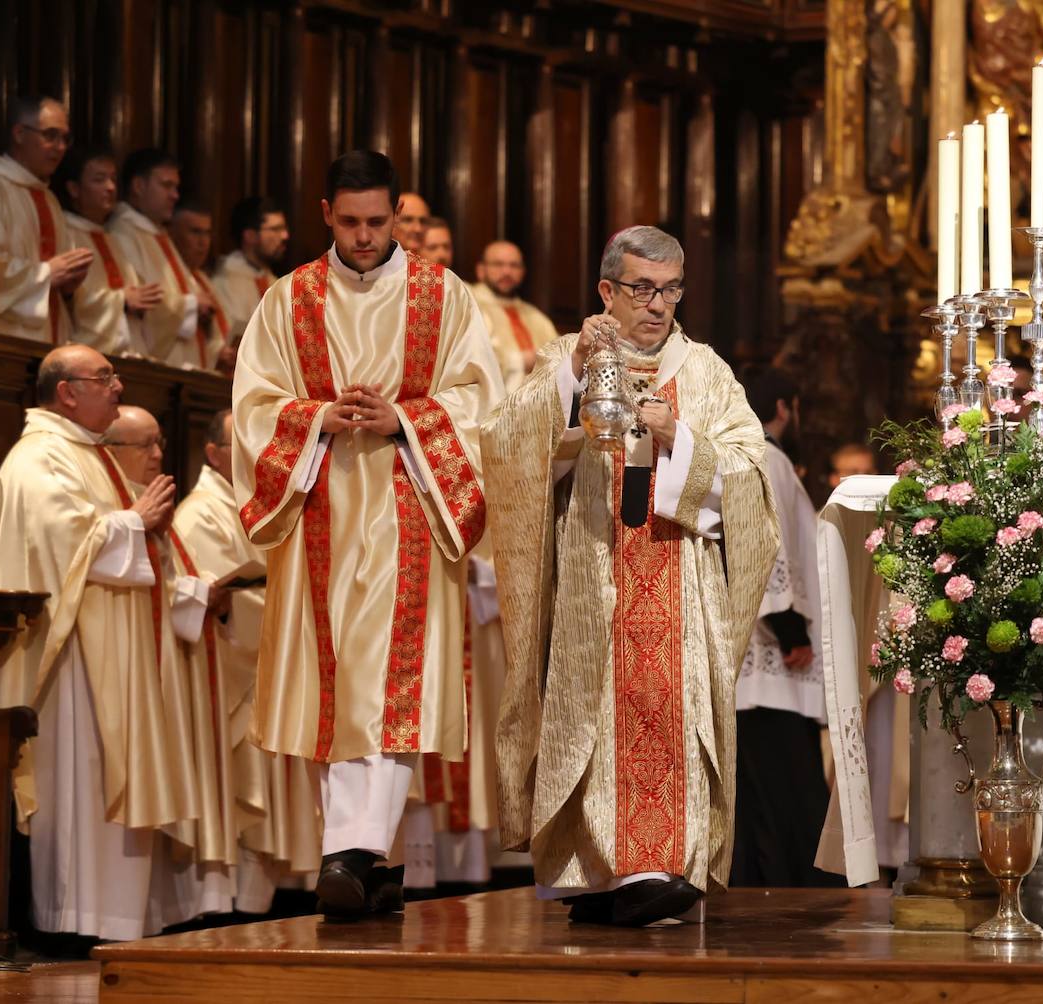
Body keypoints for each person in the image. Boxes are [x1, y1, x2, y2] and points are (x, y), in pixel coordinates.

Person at [232, 150, 502, 917]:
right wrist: (317, 416)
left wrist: (404, 420)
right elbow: (252, 406)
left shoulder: (441, 294)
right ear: (325, 212)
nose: (362, 235)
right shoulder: (288, 299)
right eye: (348, 221)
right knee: (338, 685)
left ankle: (349, 854)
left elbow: (480, 397)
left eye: (377, 222)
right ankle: (360, 856)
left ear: (396, 213)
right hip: (320, 506)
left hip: (409, 509)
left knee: (387, 687)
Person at [483, 225, 778, 926]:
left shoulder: (706, 372)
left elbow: (752, 477)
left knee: (667, 715)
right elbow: (507, 449)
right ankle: (604, 876)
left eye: (671, 289)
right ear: (606, 290)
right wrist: (575, 378)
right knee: (595, 721)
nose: (657, 305)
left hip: (680, 579)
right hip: (593, 575)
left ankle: (660, 867)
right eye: (642, 288)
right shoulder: (570, 355)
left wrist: (682, 441)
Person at [0, 345, 200, 941]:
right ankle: (74, 920)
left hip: (111, 647)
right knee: (82, 780)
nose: (118, 385)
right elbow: (65, 539)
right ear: (66, 392)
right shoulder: (38, 458)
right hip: (73, 658)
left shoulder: (82, 452)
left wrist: (134, 522)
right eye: (104, 377)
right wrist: (133, 521)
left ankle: (116, 919)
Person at [173, 409, 322, 913]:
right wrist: (283, 608)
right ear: (213, 453)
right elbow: (219, 600)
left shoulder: (260, 500)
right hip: (233, 673)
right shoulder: (201, 512)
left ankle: (265, 905)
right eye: (241, 444)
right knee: (245, 786)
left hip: (271, 667)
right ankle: (236, 908)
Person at [103, 404, 234, 925]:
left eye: (159, 443)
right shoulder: (134, 509)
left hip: (174, 658)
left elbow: (169, 579)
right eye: (145, 445)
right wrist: (203, 594)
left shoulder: (150, 508)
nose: (158, 455)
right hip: (139, 667)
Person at [731, 367, 832, 888]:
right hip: (773, 661)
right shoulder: (766, 459)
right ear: (784, 406)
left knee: (756, 797)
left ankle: (756, 890)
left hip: (753, 660)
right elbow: (768, 550)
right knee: (786, 793)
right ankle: (794, 894)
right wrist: (791, 631)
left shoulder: (743, 457)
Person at [0, 95, 93, 342]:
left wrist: (69, 289)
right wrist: (46, 274)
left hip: (53, 337)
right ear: (19, 134)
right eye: (51, 135)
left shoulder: (49, 199)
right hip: (8, 341)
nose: (61, 146)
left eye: (65, 138)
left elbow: (61, 274)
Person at [107, 148, 219, 369]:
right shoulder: (123, 232)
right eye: (166, 186)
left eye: (176, 187)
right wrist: (190, 305)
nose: (175, 195)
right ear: (139, 186)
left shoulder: (158, 234)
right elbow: (141, 300)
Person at [55, 147, 161, 354]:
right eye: (99, 179)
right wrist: (121, 300)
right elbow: (66, 298)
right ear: (74, 188)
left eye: (113, 179)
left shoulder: (111, 238)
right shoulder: (65, 231)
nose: (111, 187)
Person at [471, 240, 559, 393]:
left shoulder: (535, 315)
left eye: (514, 265)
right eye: (498, 264)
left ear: (523, 272)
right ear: (481, 270)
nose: (506, 272)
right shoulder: (470, 304)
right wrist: (520, 361)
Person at [169, 199, 237, 374]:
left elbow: (212, 338)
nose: (203, 242)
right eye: (195, 232)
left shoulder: (204, 281)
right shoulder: (167, 276)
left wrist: (220, 353)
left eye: (207, 233)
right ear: (172, 234)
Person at [211, 196, 286, 341]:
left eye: (284, 228)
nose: (284, 235)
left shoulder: (274, 281)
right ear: (250, 236)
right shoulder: (224, 281)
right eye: (275, 229)